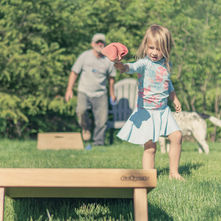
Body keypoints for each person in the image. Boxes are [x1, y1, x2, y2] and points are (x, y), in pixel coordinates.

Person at [114, 24, 184, 180]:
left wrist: (175, 98)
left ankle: (174, 173)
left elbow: (168, 83)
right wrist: (122, 66)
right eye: (151, 47)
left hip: (163, 110)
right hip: (146, 112)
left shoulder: (166, 64)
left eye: (159, 49)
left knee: (177, 136)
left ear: (165, 49)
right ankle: (148, 177)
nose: (154, 52)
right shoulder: (144, 64)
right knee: (150, 147)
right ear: (145, 46)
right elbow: (131, 67)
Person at [65, 33, 116, 146]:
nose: (100, 44)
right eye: (97, 42)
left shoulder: (108, 61)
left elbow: (111, 78)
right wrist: (69, 90)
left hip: (101, 93)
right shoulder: (85, 56)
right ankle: (85, 128)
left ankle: (98, 143)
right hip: (84, 91)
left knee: (102, 120)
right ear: (92, 44)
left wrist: (112, 94)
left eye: (102, 42)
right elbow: (74, 73)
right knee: (81, 111)